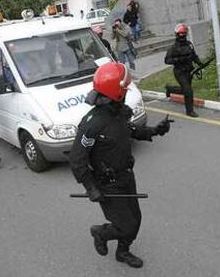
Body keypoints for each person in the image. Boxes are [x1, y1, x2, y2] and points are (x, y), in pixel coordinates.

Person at [70, 62, 172, 269]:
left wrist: (155, 131)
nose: (126, 92)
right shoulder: (92, 124)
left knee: (135, 219)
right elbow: (77, 159)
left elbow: (129, 130)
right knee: (125, 225)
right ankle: (100, 232)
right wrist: (91, 188)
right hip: (107, 184)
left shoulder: (120, 111)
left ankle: (122, 252)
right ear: (116, 92)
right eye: (124, 89)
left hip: (126, 175)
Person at [164, 23, 203, 118]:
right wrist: (178, 60)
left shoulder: (189, 45)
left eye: (183, 33)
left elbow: (194, 56)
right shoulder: (173, 47)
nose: (182, 35)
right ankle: (190, 111)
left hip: (189, 71)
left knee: (185, 90)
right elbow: (167, 60)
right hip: (179, 72)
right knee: (188, 91)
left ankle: (170, 89)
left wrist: (200, 64)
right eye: (180, 34)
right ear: (177, 34)